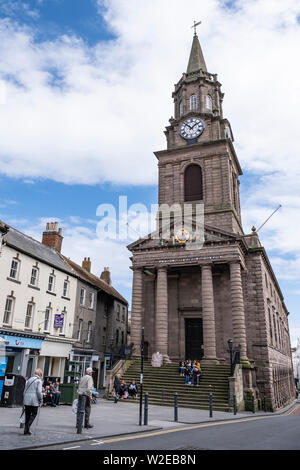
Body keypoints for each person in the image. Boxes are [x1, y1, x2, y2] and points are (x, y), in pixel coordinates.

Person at [23, 368, 43, 435]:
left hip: (27, 399)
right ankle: (27, 427)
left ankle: (26, 430)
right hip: (34, 400)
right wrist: (41, 400)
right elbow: (39, 392)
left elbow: (25, 390)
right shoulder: (38, 381)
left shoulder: (29, 379)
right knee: (34, 413)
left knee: (27, 415)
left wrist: (24, 398)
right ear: (40, 374)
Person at [76, 367, 94, 433]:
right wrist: (90, 396)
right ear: (89, 372)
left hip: (80, 394)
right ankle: (86, 424)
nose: (92, 373)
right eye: (91, 372)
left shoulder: (82, 377)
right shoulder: (89, 378)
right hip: (86, 395)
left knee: (79, 410)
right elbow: (89, 388)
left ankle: (78, 424)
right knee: (87, 409)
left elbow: (79, 385)